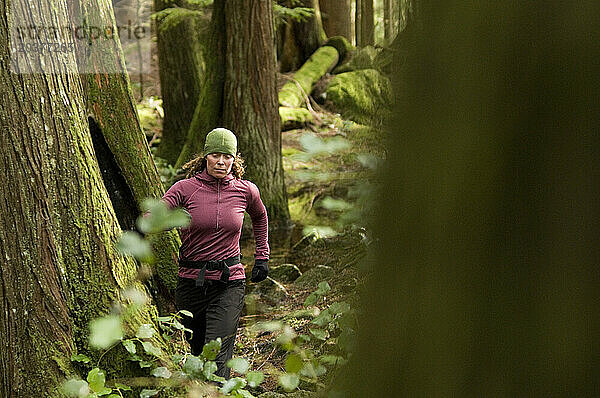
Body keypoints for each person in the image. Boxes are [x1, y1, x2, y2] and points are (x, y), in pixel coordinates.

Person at [161, 128, 269, 379]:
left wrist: (262, 255)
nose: (221, 162)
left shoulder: (246, 190)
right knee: (199, 354)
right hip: (190, 284)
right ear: (205, 157)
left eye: (227, 157)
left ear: (234, 160)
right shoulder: (185, 189)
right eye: (216, 156)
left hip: (228, 283)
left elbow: (261, 216)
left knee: (218, 357)